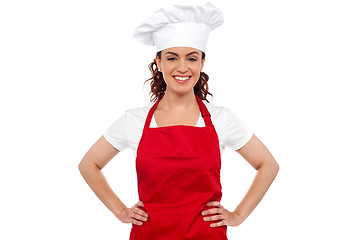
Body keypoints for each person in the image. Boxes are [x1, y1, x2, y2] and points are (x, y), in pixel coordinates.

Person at [78, 2, 279, 239]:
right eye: (172, 58)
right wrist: (120, 211)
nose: (182, 67)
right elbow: (89, 165)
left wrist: (238, 215)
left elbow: (268, 165)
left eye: (191, 58)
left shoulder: (221, 119)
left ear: (202, 63)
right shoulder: (135, 120)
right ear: (159, 62)